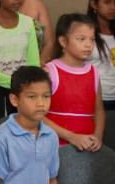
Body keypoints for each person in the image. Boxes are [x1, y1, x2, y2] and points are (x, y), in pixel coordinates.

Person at [42, 13, 104, 151]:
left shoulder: (94, 72)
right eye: (81, 39)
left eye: (92, 39)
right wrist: (72, 137)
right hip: (55, 149)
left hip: (87, 149)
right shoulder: (49, 71)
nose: (88, 45)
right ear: (63, 41)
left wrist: (98, 136)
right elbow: (37, 115)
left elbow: (99, 109)